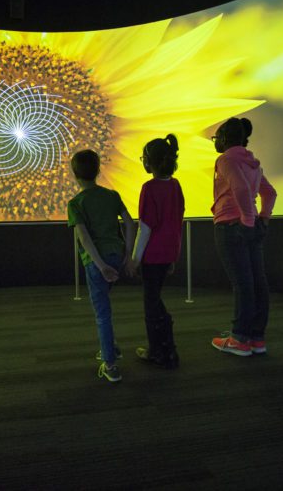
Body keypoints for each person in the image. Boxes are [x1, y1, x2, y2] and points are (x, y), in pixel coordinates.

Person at [210, 117, 277, 356]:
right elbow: (270, 193)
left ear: (224, 139)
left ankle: (239, 338)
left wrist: (247, 221)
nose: (215, 142)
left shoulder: (226, 159)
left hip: (232, 226)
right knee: (257, 283)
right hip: (252, 226)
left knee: (242, 284)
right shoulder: (252, 163)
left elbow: (240, 188)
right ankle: (257, 338)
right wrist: (263, 218)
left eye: (216, 138)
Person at [67, 149, 136, 383]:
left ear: (74, 174)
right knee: (105, 305)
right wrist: (128, 254)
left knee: (102, 313)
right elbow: (130, 223)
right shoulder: (111, 196)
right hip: (116, 255)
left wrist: (100, 265)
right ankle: (111, 347)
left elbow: (84, 238)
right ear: (98, 170)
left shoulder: (76, 203)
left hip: (97, 262)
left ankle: (110, 364)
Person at [128, 134, 185, 369]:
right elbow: (177, 222)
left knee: (151, 304)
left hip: (152, 255)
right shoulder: (175, 185)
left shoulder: (149, 188)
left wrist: (134, 259)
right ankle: (167, 348)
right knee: (155, 299)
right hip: (168, 252)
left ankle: (159, 351)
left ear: (149, 162)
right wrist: (174, 256)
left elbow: (145, 227)